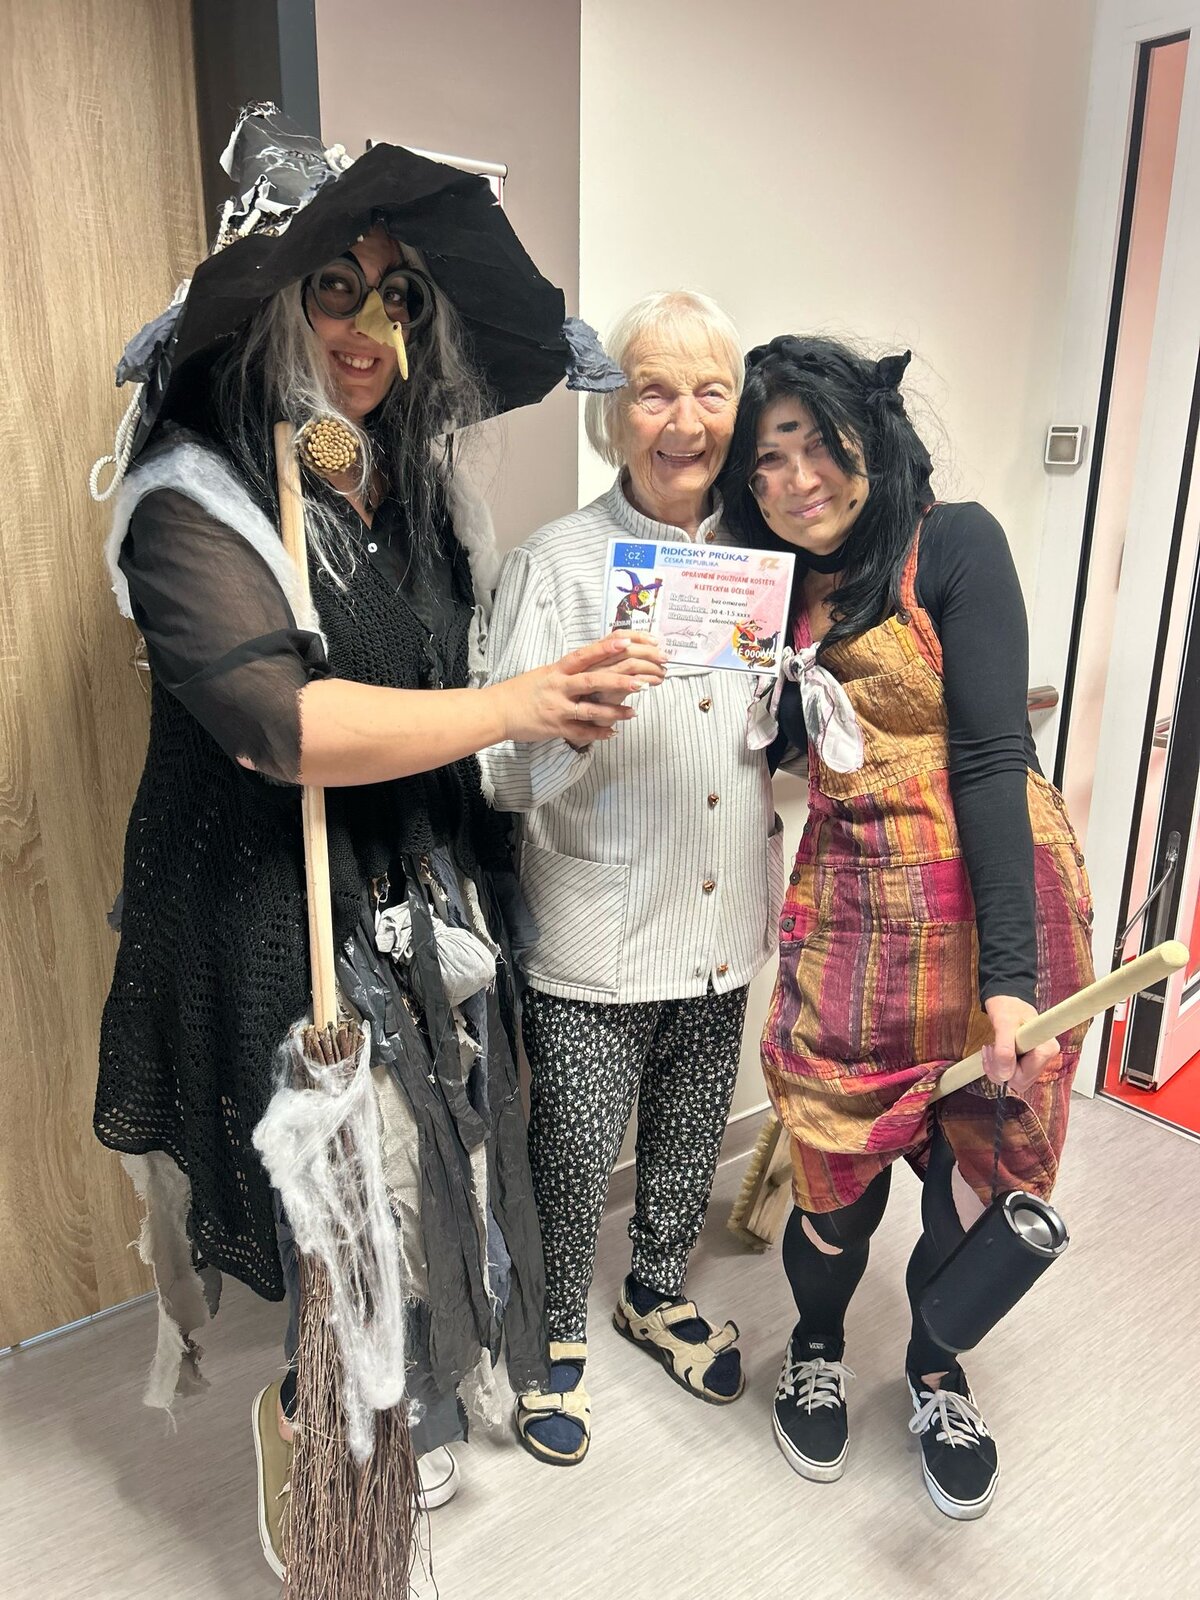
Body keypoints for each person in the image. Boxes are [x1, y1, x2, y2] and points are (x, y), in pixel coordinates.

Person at [91, 107, 662, 1578]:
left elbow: (439, 693)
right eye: (333, 289)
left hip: (410, 891)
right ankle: (323, 1443)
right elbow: (275, 725)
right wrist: (509, 703)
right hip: (268, 904)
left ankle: (400, 1411)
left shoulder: (400, 484)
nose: (366, 326)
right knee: (341, 1194)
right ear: (271, 307)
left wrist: (547, 705)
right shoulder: (193, 493)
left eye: (395, 295)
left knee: (429, 1159)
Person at [720, 335, 1094, 1520]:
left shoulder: (956, 543)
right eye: (764, 460)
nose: (794, 480)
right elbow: (780, 749)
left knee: (980, 1173)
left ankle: (936, 1370)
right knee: (835, 1174)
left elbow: (991, 759)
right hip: (857, 917)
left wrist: (1012, 978)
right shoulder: (773, 588)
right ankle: (817, 1343)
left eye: (814, 444)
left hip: (994, 915)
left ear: (869, 436)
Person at [482, 291, 785, 1466]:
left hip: (721, 916)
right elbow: (499, 774)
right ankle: (552, 1323)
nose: (685, 420)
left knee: (693, 1129)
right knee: (571, 1151)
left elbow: (759, 737)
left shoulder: (759, 563)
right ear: (614, 413)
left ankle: (655, 1289)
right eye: (655, 390)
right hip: (595, 930)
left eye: (712, 391)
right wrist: (574, 719)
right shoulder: (555, 563)